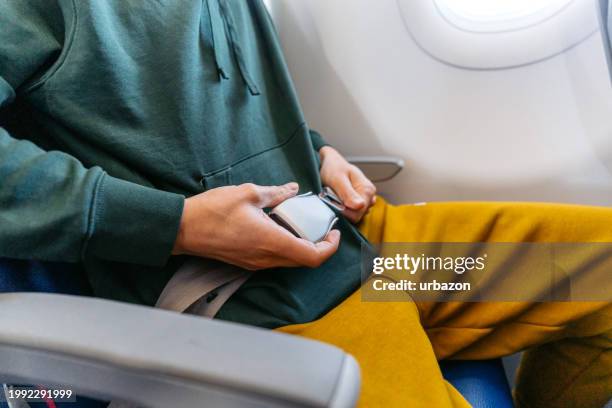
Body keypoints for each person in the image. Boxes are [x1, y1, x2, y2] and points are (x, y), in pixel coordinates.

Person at [0, 1, 609, 407]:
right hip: (259, 307)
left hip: (375, 261)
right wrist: (180, 226)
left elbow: (218, 107)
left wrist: (315, 151)